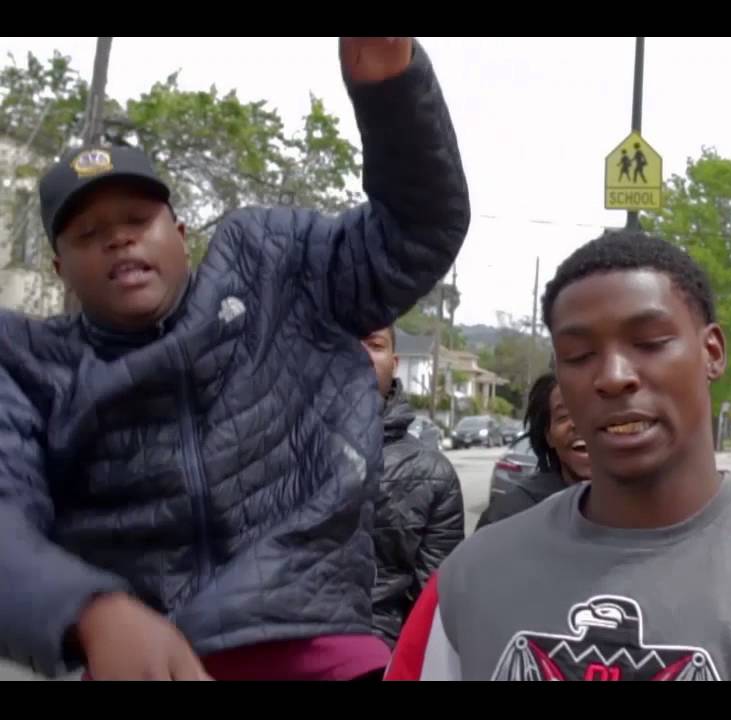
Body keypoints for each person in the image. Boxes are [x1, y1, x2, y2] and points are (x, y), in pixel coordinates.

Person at [0, 37, 469, 681]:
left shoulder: (275, 266)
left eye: (138, 219)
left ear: (179, 234)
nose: (119, 239)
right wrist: (87, 609)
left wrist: (392, 90)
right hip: (139, 657)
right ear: (60, 268)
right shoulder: (28, 364)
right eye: (89, 233)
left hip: (312, 638)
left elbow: (417, 231)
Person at [384, 230, 731, 681]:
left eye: (649, 343)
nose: (613, 376)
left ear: (711, 352)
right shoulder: (471, 578)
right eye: (578, 354)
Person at [361, 326, 464, 648]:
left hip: (380, 656)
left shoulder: (433, 475)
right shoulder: (269, 452)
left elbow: (432, 609)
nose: (360, 354)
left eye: (374, 344)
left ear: (394, 363)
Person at [476, 372, 591, 530]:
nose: (580, 424)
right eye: (564, 416)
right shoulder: (508, 517)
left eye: (594, 410)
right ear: (548, 436)